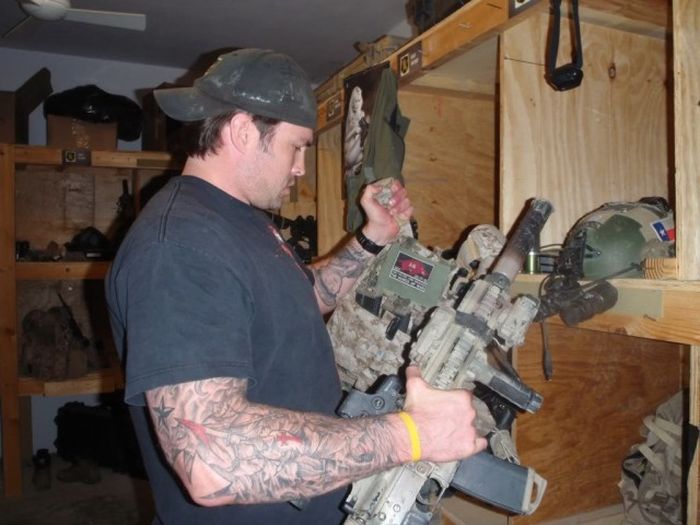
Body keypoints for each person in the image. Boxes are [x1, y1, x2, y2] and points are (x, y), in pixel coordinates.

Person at [105, 48, 486, 525]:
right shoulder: (179, 248)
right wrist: (412, 435)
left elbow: (299, 299)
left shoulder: (237, 219)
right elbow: (212, 460)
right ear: (243, 131)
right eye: (296, 146)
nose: (301, 166)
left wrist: (373, 237)